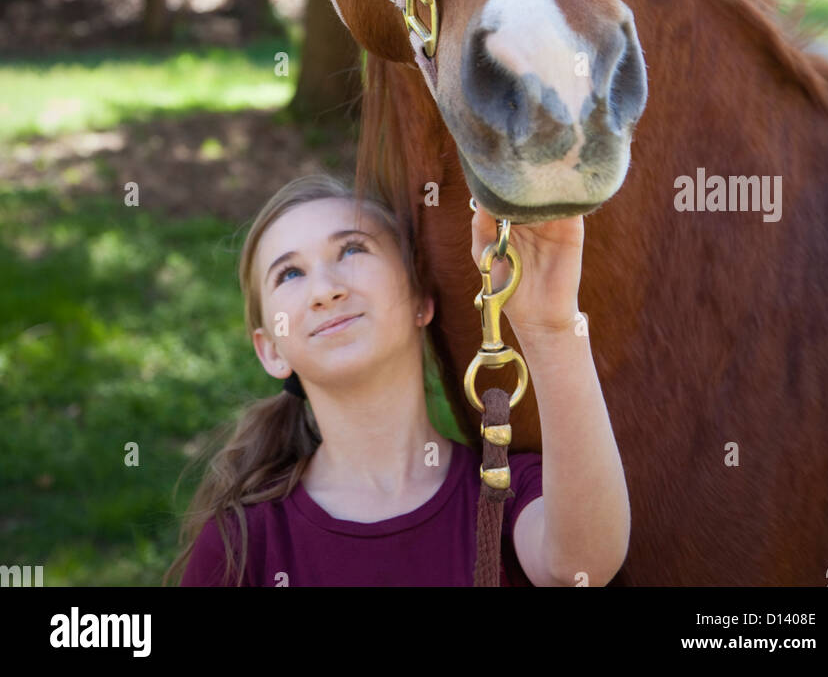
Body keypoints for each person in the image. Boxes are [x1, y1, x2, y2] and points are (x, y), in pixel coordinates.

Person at [167, 172, 629, 587]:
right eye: (289, 273)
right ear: (270, 349)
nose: (326, 290)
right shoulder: (244, 544)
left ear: (420, 299)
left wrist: (550, 325)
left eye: (352, 249)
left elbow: (579, 568)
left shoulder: (506, 492)